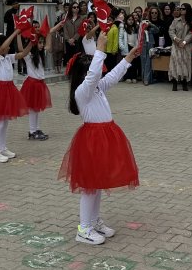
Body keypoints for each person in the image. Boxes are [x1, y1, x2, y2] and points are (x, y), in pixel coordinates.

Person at [59, 28, 142, 245]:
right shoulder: (83, 91)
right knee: (89, 186)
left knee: (96, 184)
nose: (98, 74)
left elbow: (111, 76)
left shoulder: (97, 88)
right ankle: (83, 229)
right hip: (92, 141)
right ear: (83, 74)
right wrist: (100, 49)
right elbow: (94, 74)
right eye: (91, 71)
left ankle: (93, 221)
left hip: (103, 138)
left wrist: (128, 58)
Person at [0, 29, 32, 162]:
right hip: (0, 91)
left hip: (9, 89)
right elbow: (3, 47)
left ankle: (2, 148)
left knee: (5, 122)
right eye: (7, 45)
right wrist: (15, 33)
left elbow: (23, 54)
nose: (8, 48)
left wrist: (32, 42)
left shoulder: (8, 57)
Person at [168, 4, 192, 91]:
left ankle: (184, 82)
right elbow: (171, 31)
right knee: (175, 62)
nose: (181, 10)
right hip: (176, 45)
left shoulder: (191, 22)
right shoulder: (175, 21)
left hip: (187, 45)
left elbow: (191, 33)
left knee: (185, 63)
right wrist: (176, 39)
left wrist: (184, 42)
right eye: (180, 8)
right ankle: (175, 82)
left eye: (183, 8)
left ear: (187, 10)